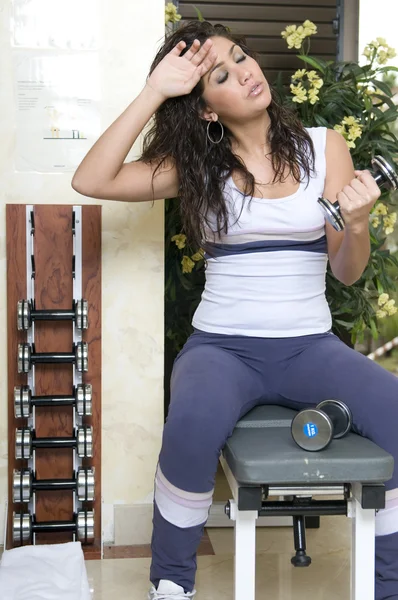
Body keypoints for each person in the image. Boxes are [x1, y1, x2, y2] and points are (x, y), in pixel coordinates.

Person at [72, 20, 398, 600]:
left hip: (310, 346)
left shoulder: (327, 147)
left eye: (241, 57)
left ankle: (391, 584)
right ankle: (171, 586)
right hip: (223, 348)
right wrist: (155, 91)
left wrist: (355, 224)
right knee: (190, 430)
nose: (246, 71)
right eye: (220, 74)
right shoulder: (198, 170)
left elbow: (345, 270)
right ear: (205, 110)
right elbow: (91, 178)